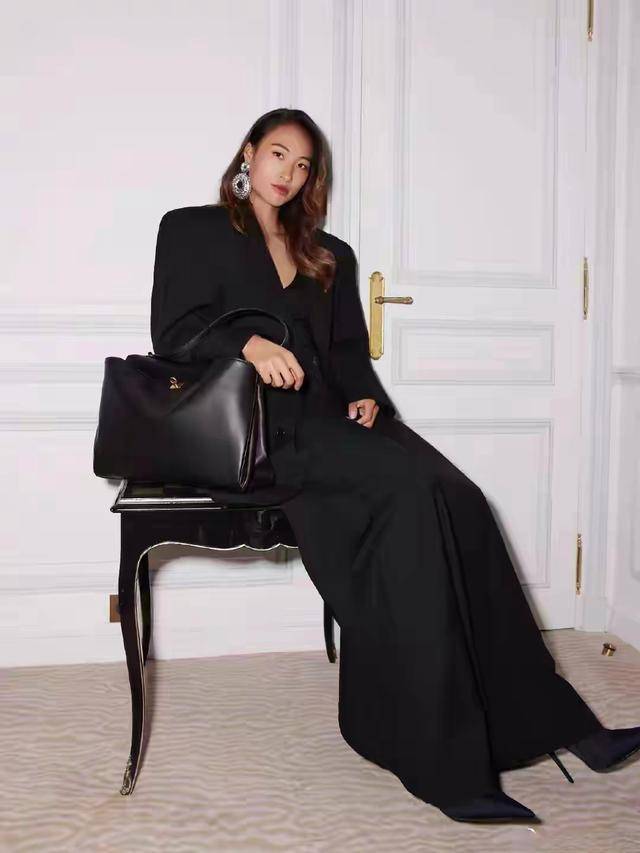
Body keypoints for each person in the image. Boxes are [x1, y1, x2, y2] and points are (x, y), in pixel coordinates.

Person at [150, 108, 640, 824]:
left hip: (329, 426)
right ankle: (445, 765)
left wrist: (366, 399)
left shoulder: (328, 253)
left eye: (303, 165)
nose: (288, 173)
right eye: (278, 154)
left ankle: (562, 725)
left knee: (461, 497)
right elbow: (172, 332)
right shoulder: (192, 229)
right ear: (249, 153)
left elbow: (348, 353)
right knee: (410, 499)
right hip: (256, 438)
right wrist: (247, 345)